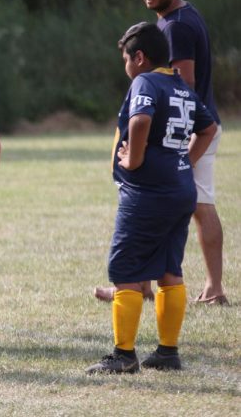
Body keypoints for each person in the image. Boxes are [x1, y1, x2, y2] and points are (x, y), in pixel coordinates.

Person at [95, 0, 228, 306]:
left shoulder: (176, 26)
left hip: (187, 130)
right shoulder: (182, 16)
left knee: (193, 204)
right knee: (192, 204)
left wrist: (176, 141)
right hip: (192, 127)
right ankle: (144, 284)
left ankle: (206, 287)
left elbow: (184, 83)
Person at [86, 23, 216, 374]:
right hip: (179, 190)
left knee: (125, 268)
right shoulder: (180, 85)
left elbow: (141, 119)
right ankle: (167, 351)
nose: (125, 66)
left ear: (139, 58)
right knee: (170, 269)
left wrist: (135, 159)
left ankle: (124, 355)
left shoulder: (144, 81)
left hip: (148, 192)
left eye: (126, 58)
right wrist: (183, 162)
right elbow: (209, 128)